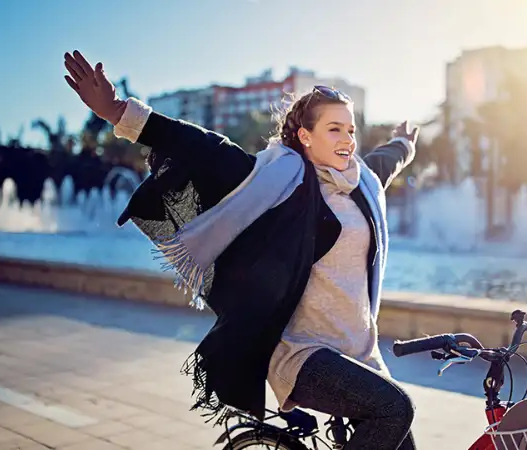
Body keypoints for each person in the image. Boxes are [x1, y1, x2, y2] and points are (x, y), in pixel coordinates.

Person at [63, 50, 420, 449]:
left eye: (351, 130)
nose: (348, 140)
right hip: (301, 352)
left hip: (358, 354)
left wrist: (403, 143)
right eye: (334, 129)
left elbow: (385, 161)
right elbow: (203, 147)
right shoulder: (280, 181)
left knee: (400, 437)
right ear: (306, 135)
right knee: (396, 409)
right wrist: (116, 110)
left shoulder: (363, 185)